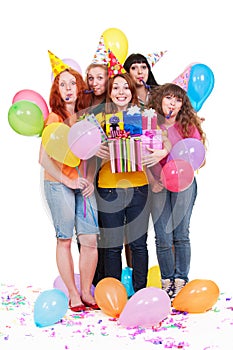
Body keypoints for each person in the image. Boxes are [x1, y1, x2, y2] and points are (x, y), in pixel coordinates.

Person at [39, 53, 100, 311]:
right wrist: (67, 180)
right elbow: (43, 158)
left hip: (82, 184)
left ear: (79, 86)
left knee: (90, 239)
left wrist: (87, 179)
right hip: (58, 184)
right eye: (61, 84)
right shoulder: (54, 118)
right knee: (65, 238)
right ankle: (74, 295)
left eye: (72, 83)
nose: (67, 89)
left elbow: (91, 153)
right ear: (57, 90)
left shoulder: (86, 117)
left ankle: (87, 292)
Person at [147, 83, 206, 300]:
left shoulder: (188, 125)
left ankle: (181, 280)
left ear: (182, 105)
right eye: (168, 98)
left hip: (184, 184)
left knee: (181, 234)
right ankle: (167, 281)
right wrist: (152, 180)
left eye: (178, 100)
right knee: (163, 236)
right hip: (158, 185)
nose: (172, 103)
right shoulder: (150, 125)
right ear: (160, 100)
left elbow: (197, 157)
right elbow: (141, 156)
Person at [95, 72, 152, 292]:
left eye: (125, 88)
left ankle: (141, 292)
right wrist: (100, 154)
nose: (121, 92)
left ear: (132, 91)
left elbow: (159, 142)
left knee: (138, 245)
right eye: (116, 88)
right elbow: (88, 158)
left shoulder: (145, 117)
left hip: (138, 187)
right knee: (112, 246)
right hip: (109, 188)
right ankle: (113, 294)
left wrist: (155, 149)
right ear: (110, 93)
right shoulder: (99, 121)